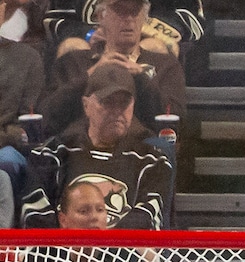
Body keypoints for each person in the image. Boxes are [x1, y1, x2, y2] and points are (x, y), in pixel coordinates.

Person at [20, 63, 172, 229]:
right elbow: (35, 215)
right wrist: (73, 249)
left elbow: (147, 220)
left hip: (125, 254)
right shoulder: (51, 155)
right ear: (86, 105)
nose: (117, 110)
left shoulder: (152, 161)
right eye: (108, 102)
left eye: (124, 103)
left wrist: (101, 250)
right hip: (61, 252)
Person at [38, 0, 186, 140]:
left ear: (144, 19)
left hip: (144, 153)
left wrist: (141, 79)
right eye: (120, 11)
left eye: (135, 12)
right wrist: (90, 76)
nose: (129, 19)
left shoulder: (164, 64)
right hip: (81, 152)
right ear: (101, 17)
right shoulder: (74, 61)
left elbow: (176, 121)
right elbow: (46, 119)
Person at [45, 0, 206, 58]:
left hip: (147, 50)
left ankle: (157, 124)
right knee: (72, 47)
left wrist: (138, 28)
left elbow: (192, 20)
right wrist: (90, 34)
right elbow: (55, 19)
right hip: (93, 49)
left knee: (156, 48)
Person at [0, 2, 45, 192]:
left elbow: (28, 128)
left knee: (8, 161)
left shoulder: (28, 59)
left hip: (5, 150)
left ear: (3, 10)